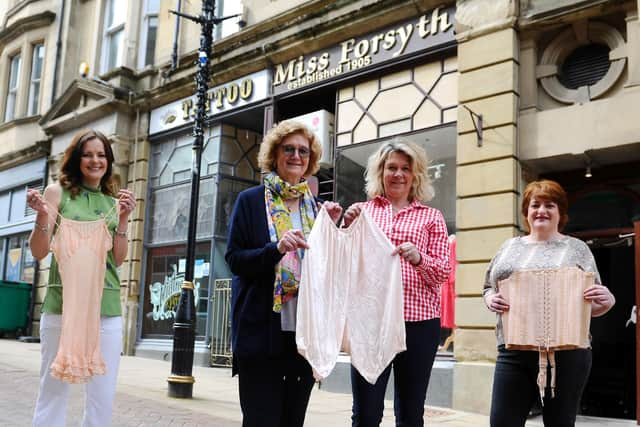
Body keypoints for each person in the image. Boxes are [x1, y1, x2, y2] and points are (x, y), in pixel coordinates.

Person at [225, 120, 342, 427]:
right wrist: (275, 249)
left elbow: (326, 272)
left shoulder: (315, 209)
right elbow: (235, 259)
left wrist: (337, 231)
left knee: (293, 421)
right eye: (288, 149)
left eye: (303, 150)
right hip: (260, 334)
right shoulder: (250, 201)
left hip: (303, 336)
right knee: (260, 420)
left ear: (311, 159)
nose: (296, 155)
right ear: (274, 154)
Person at [483, 179, 616, 427]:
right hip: (514, 351)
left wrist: (607, 302)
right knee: (502, 422)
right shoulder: (509, 247)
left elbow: (592, 302)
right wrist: (491, 299)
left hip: (568, 354)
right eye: (535, 205)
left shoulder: (577, 249)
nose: (541, 210)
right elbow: (488, 287)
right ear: (526, 212)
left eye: (550, 205)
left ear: (560, 213)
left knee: (559, 423)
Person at [28, 129, 136, 427]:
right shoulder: (56, 193)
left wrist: (125, 220)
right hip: (62, 307)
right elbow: (38, 251)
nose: (95, 160)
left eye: (101, 155)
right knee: (53, 392)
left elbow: (119, 258)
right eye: (88, 154)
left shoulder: (113, 200)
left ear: (109, 161)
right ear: (76, 159)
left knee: (101, 398)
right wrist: (41, 216)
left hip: (107, 308)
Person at [342, 139, 451, 427]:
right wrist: (345, 228)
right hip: (371, 322)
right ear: (380, 172)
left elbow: (442, 272)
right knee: (365, 412)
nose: (398, 174)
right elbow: (344, 264)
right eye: (391, 167)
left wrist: (418, 258)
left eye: (406, 168)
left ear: (416, 175)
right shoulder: (361, 211)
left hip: (419, 323)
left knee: (411, 413)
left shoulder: (432, 217)